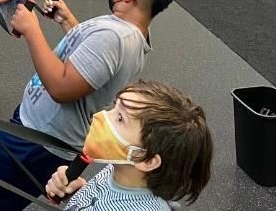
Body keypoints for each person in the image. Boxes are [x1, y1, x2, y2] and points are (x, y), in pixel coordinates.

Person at [0, 0, 181, 211]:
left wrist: (31, 30)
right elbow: (92, 65)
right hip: (39, 133)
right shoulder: (129, 34)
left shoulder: (114, 36)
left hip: (37, 141)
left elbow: (61, 87)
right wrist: (68, 21)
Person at [45, 80, 213, 210]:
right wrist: (80, 192)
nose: (99, 116)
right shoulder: (118, 170)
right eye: (114, 106)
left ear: (146, 160)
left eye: (120, 118)